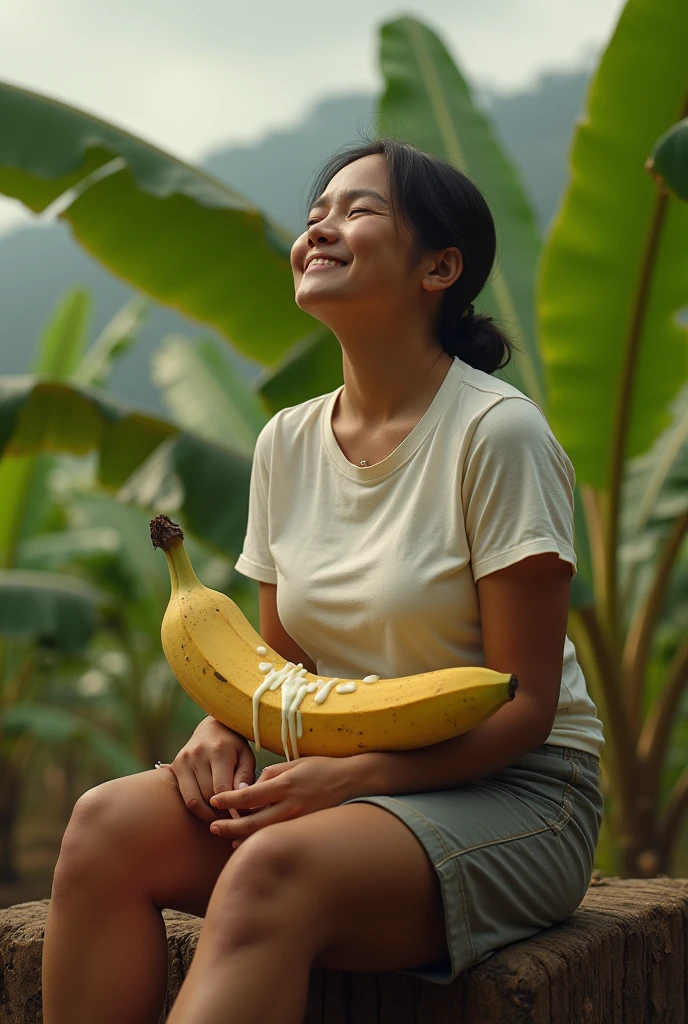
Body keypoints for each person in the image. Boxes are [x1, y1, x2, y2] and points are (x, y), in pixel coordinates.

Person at [41, 137, 605, 1024]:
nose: (321, 229)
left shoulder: (498, 435)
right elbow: (278, 659)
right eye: (315, 216)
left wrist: (346, 782)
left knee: (270, 872)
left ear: (440, 267)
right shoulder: (287, 442)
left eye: (358, 211)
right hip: (348, 785)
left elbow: (525, 704)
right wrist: (218, 727)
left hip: (519, 794)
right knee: (107, 825)